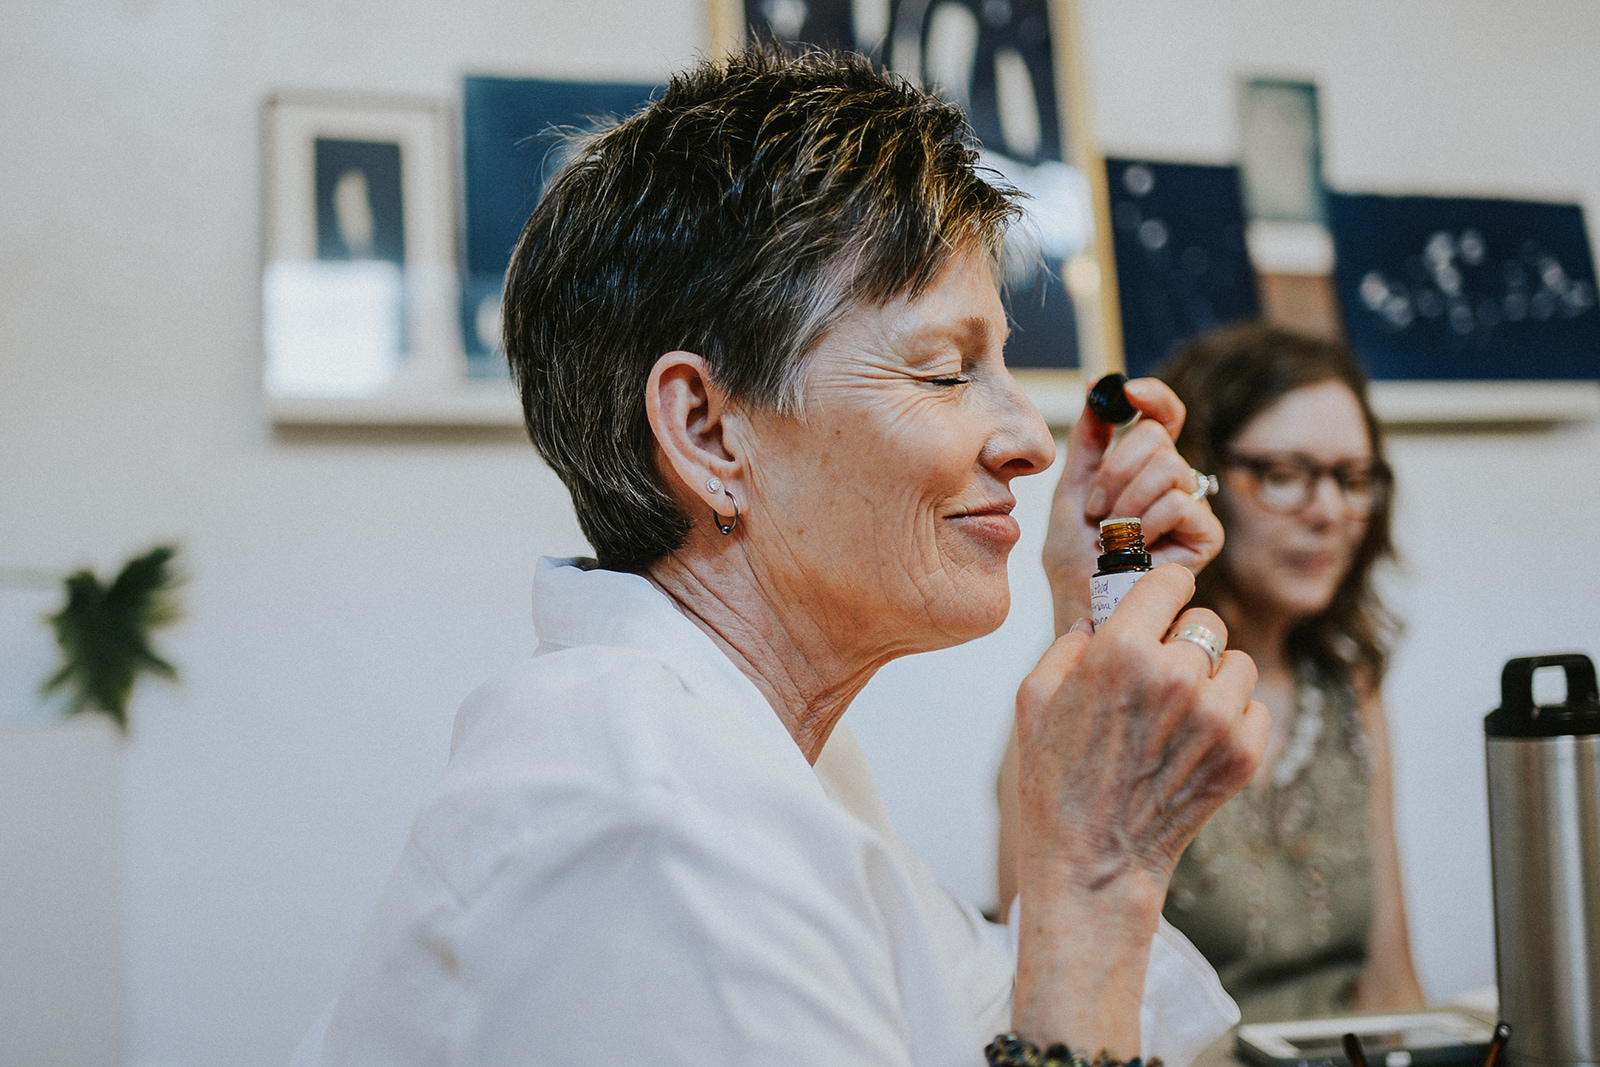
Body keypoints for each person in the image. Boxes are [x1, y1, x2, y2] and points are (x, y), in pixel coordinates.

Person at [303, 47, 1268, 1067]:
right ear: (711, 433)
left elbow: (1004, 1013)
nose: (1031, 434)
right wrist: (1097, 872)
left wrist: (1098, 621)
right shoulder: (644, 813)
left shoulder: (769, 758)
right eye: (945, 372)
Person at [998, 323, 1425, 1023]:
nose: (1328, 511)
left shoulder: (1350, 691)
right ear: (1200, 483)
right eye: (1285, 473)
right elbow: (1039, 997)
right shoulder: (1089, 696)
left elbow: (1390, 984)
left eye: (1353, 478)